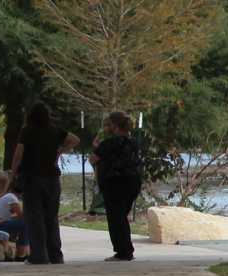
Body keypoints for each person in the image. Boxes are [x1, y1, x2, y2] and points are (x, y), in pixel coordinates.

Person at [8, 103, 79, 265]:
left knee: (35, 217)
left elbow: (19, 153)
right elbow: (75, 139)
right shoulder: (54, 130)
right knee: (51, 217)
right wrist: (60, 150)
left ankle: (39, 256)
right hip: (52, 179)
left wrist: (13, 173)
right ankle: (55, 255)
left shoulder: (28, 131)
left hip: (32, 178)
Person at [90, 112, 144, 262]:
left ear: (114, 125)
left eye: (108, 124)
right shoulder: (134, 142)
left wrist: (96, 147)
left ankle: (123, 251)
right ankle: (125, 249)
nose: (106, 127)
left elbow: (93, 159)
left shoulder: (109, 143)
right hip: (132, 182)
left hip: (115, 182)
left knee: (115, 218)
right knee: (122, 216)